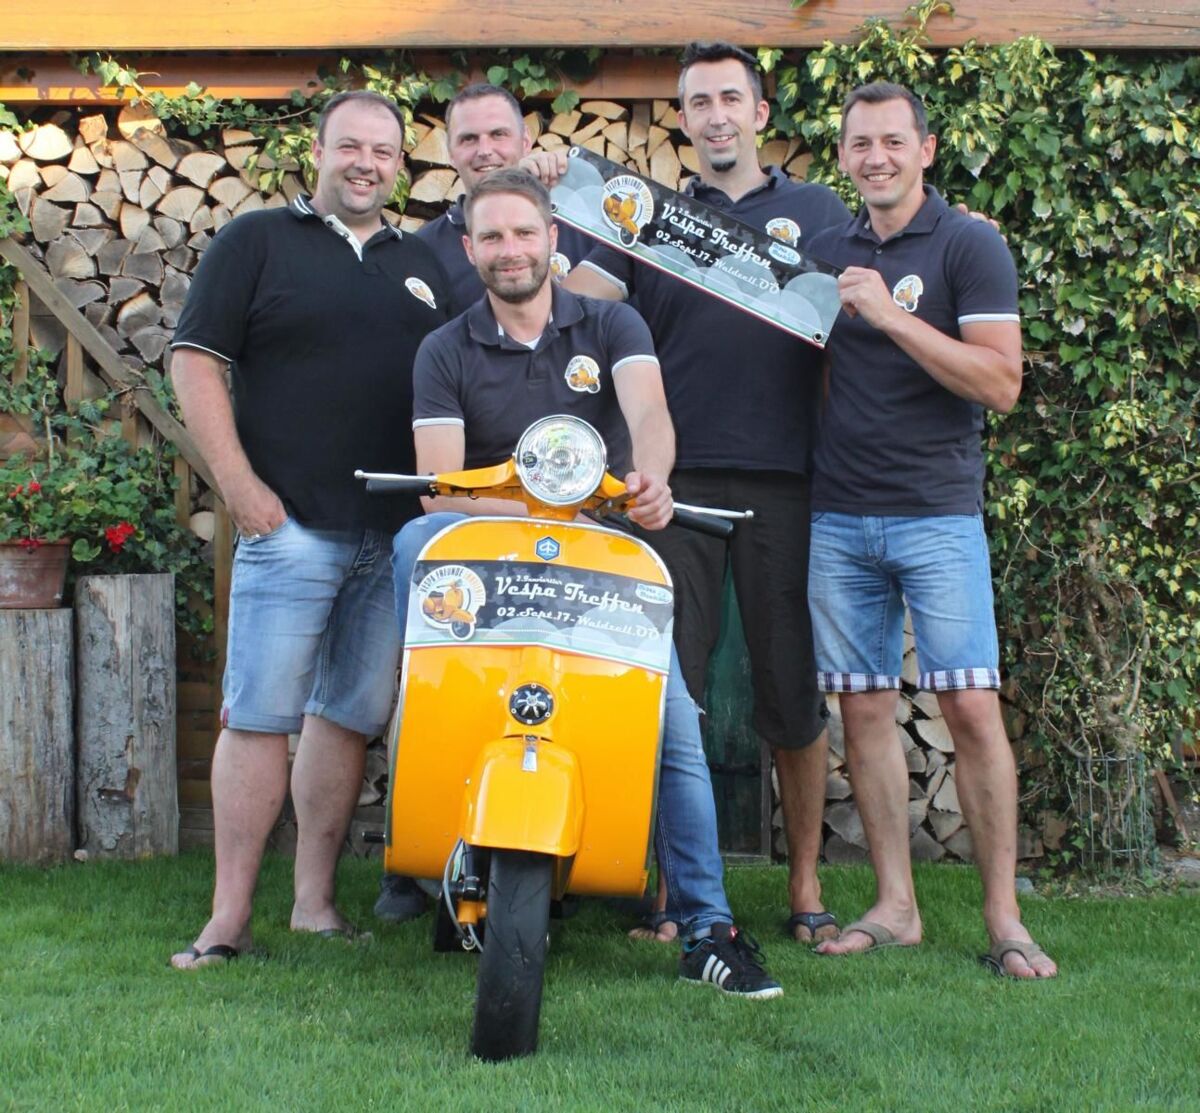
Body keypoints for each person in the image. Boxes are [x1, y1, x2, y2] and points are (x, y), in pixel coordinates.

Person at [392, 167, 784, 998]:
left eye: (523, 232)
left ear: (552, 239)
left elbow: (650, 417)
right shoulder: (444, 348)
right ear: (468, 248)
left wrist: (651, 479)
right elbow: (438, 485)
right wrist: (546, 496)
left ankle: (708, 927)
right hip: (493, 562)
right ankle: (431, 847)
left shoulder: (612, 321)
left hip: (601, 556)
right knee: (415, 552)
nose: (509, 249)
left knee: (674, 721)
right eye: (491, 236)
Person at [527, 42, 850, 944]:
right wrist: (543, 204)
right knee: (672, 688)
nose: (715, 115)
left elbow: (862, 305)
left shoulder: (819, 213)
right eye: (698, 101)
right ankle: (671, 888)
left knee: (791, 687)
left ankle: (805, 885)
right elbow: (572, 302)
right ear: (682, 119)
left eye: (730, 99)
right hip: (670, 480)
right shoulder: (647, 215)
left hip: (787, 478)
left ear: (760, 113)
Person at [167, 90, 451, 968]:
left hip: (394, 537)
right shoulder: (255, 241)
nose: (367, 163)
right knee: (259, 716)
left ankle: (314, 904)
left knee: (346, 719)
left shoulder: (424, 262)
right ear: (318, 152)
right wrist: (239, 485)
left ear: (400, 165)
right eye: (350, 146)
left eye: (384, 152)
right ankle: (226, 921)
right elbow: (194, 360)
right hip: (287, 525)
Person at [803, 82, 1057, 979]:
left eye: (892, 141)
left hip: (938, 514)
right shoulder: (826, 251)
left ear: (926, 149)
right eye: (859, 143)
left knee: (971, 708)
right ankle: (896, 906)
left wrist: (891, 316)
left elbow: (1000, 382)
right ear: (843, 156)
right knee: (863, 708)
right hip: (837, 513)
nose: (875, 157)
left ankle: (1004, 918)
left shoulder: (969, 244)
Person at [374, 82, 598, 924]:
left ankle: (598, 847)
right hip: (465, 506)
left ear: (527, 140)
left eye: (499, 134)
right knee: (433, 676)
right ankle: (417, 854)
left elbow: (613, 326)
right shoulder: (422, 250)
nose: (485, 150)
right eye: (467, 138)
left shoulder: (581, 217)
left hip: (574, 502)